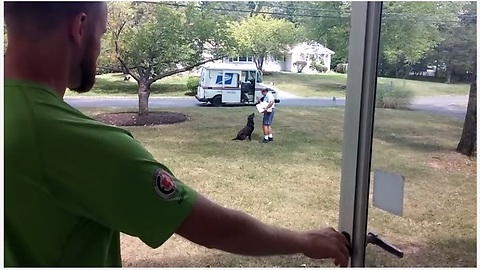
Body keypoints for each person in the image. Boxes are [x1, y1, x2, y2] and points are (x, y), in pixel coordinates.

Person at [4, 2, 350, 267]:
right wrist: (304, 240)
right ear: (79, 28)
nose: (98, 46)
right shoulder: (79, 145)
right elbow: (216, 228)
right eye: (102, 33)